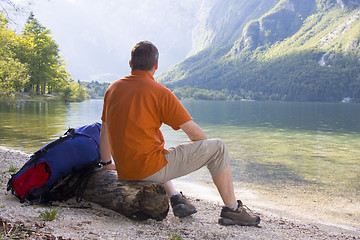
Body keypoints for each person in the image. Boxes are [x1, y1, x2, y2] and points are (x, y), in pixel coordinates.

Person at [99, 40, 260, 226]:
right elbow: (195, 134)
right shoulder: (160, 92)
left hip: (125, 171)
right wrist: (204, 152)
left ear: (130, 64)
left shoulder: (112, 89)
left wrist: (106, 164)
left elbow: (105, 131)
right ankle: (233, 210)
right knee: (218, 148)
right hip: (149, 171)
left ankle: (175, 196)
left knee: (160, 150)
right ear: (156, 65)